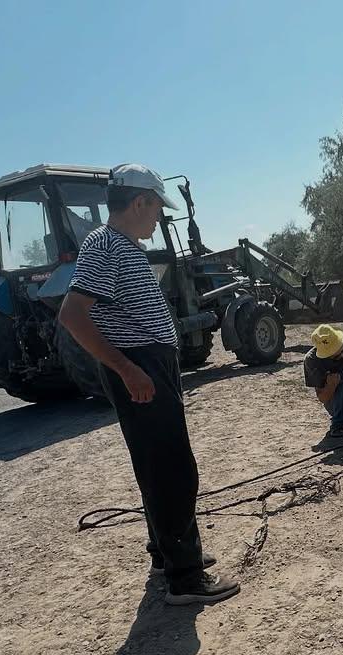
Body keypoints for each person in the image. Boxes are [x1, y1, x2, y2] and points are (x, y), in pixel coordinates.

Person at [57, 163, 239, 606]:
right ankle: (186, 578)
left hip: (150, 363)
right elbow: (72, 315)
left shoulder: (121, 246)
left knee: (156, 464)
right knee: (173, 468)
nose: (159, 217)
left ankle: (166, 553)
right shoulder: (106, 246)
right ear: (140, 202)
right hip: (141, 368)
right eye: (157, 207)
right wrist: (128, 369)